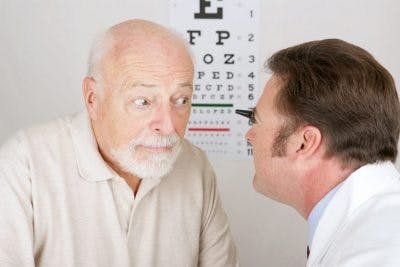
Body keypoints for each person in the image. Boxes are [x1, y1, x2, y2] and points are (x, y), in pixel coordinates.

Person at [0, 19, 238, 267]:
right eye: (143, 102)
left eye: (181, 100)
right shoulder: (24, 166)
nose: (168, 126)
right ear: (93, 99)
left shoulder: (195, 166)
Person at [237, 39, 400, 266]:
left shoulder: (369, 256)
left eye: (255, 120)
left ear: (304, 143)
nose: (249, 135)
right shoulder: (379, 223)